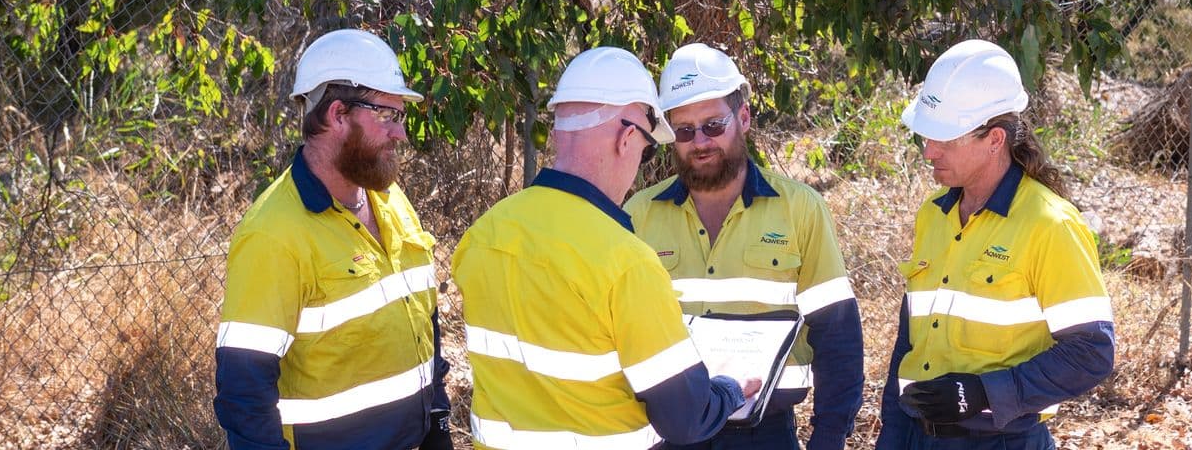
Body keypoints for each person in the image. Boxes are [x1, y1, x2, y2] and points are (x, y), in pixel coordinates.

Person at [452, 46, 759, 449]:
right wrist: (730, 389)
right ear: (628, 137)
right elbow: (686, 418)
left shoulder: (482, 236)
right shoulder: (626, 264)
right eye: (648, 150)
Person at [214, 29, 451, 450]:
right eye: (387, 116)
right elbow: (244, 394)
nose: (400, 134)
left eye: (400, 117)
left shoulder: (391, 200)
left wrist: (438, 426)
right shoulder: (273, 234)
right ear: (337, 114)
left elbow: (423, 325)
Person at [876, 39, 1116, 449]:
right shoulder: (933, 214)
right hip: (919, 438)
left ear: (995, 139)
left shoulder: (1049, 224)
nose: (928, 151)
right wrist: (892, 437)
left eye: (945, 140)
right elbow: (909, 340)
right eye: (925, 137)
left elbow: (1092, 352)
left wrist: (984, 394)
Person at [627, 43, 864, 450]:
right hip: (666, 436)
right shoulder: (638, 216)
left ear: (744, 117)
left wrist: (828, 439)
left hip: (765, 434)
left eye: (713, 125)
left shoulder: (800, 210)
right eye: (684, 130)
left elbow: (837, 336)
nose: (700, 141)